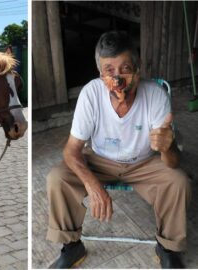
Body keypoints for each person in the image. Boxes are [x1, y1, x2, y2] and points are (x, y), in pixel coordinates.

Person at [46, 31, 191, 269]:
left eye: (125, 69)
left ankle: (167, 248)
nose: (118, 79)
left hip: (143, 162)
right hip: (99, 159)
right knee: (57, 178)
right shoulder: (91, 93)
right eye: (109, 71)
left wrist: (167, 147)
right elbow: (71, 151)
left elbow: (173, 162)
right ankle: (71, 247)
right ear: (100, 74)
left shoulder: (155, 95)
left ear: (138, 68)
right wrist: (93, 186)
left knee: (178, 180)